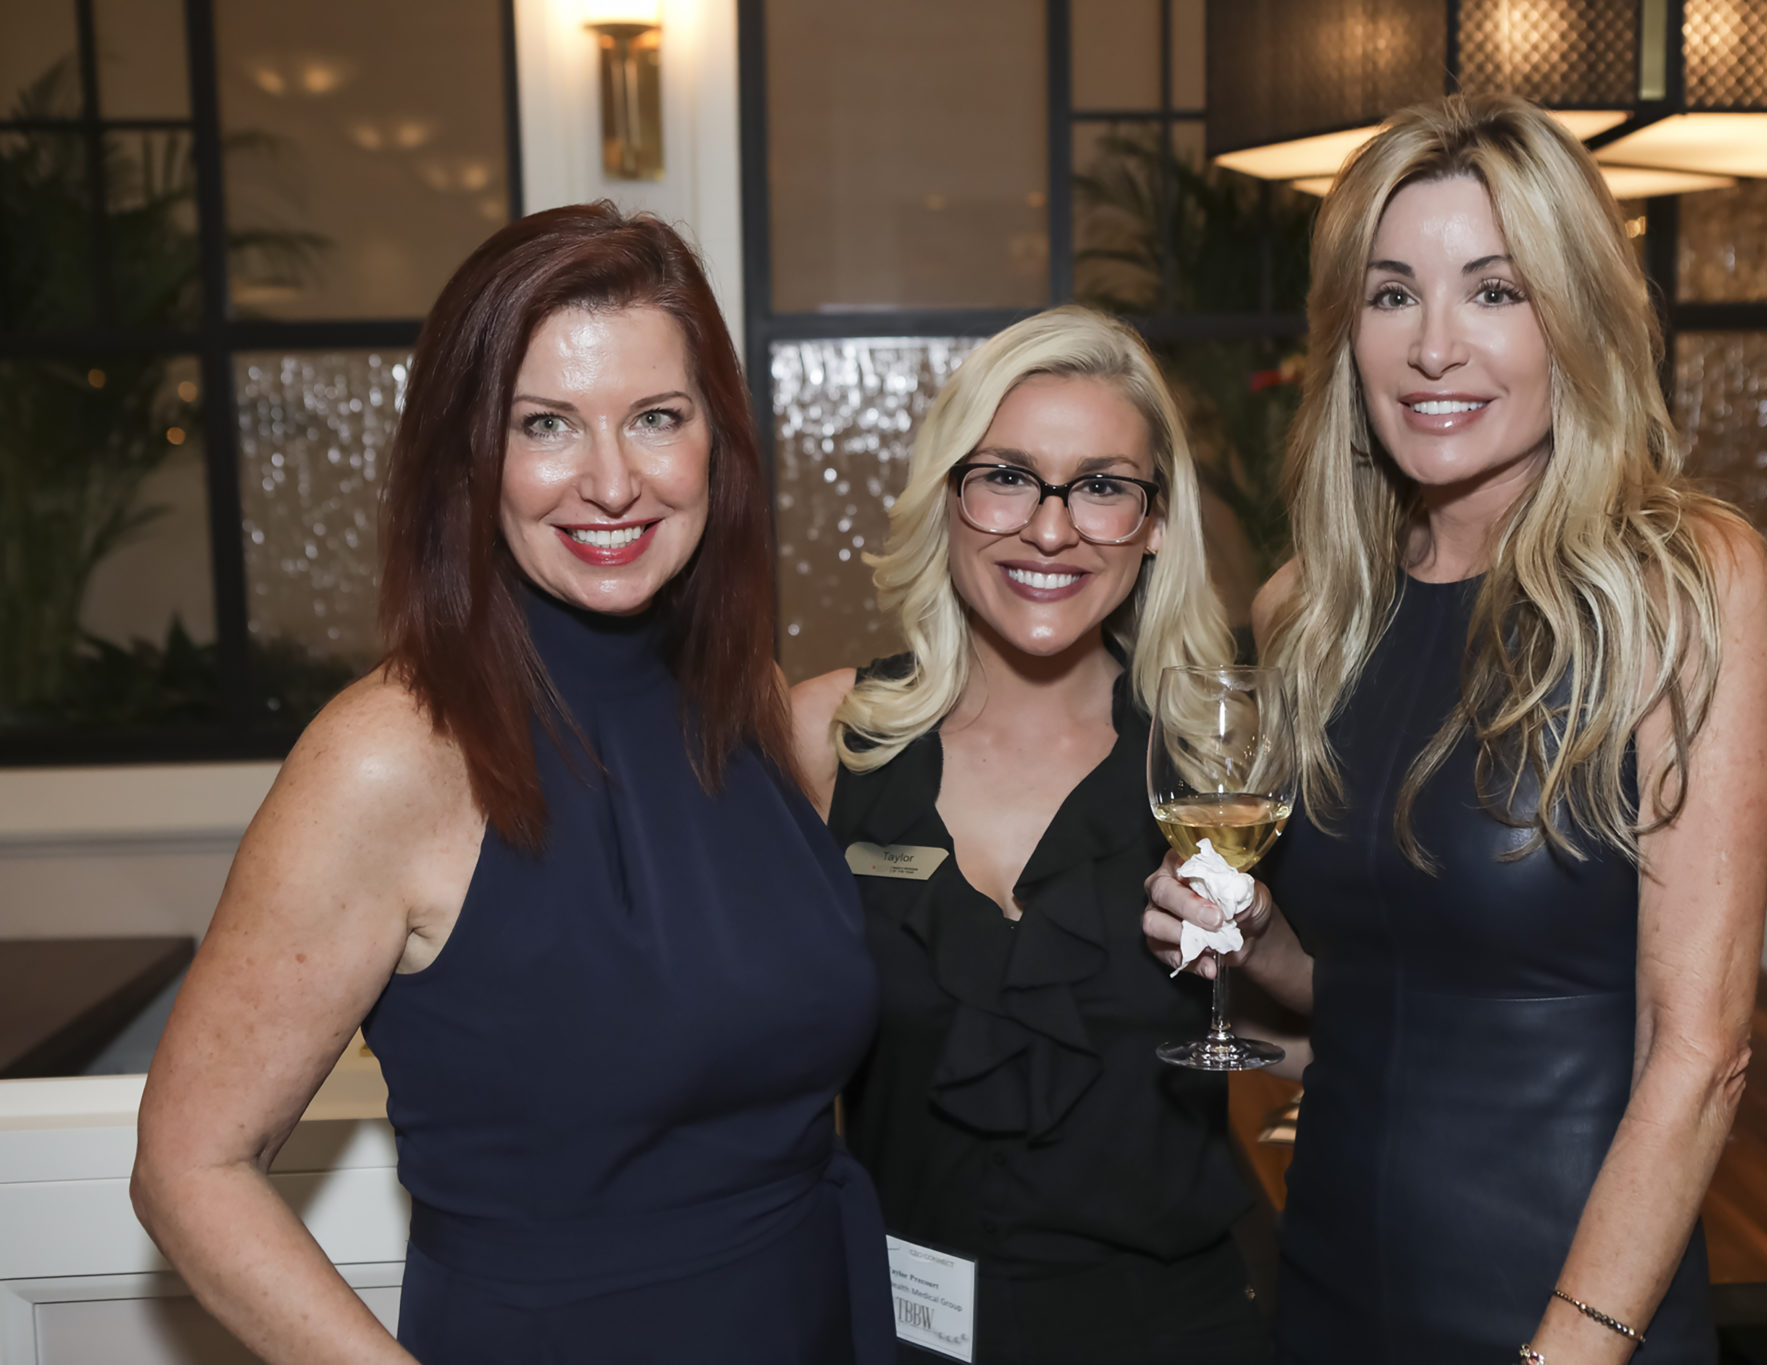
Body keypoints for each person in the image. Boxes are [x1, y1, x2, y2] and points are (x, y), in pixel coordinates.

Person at [131, 204, 893, 1364]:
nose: (611, 481)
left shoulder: (742, 701)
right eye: (545, 425)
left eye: (656, 417)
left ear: (717, 442)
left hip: (809, 1316)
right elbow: (189, 1169)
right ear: (467, 459)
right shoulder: (388, 757)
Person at [1143, 95, 1767, 1364]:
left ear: (1574, 317)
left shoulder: (1682, 584)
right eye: (1391, 295)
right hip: (1327, 1286)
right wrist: (1262, 942)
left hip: (1564, 1315)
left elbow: (1700, 1052)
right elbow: (1373, 1003)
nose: (1433, 346)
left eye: (1493, 291)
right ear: (1347, 336)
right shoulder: (1308, 610)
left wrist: (1568, 1349)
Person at [789, 306, 1270, 1364]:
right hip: (897, 1335)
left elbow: (1344, 1028)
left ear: (1154, 521)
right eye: (1007, 476)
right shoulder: (826, 739)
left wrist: (1262, 945)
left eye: (1102, 486)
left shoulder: (1217, 763)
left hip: (1171, 1337)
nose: (1050, 531)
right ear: (948, 498)